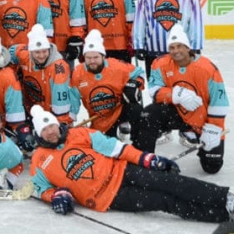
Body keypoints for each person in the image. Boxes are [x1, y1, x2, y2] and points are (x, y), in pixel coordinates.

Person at [29, 104, 234, 223]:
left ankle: (226, 197)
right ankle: (221, 215)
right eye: (45, 129)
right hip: (107, 197)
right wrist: (56, 195)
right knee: (165, 202)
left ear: (57, 124)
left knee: (172, 183)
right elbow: (40, 188)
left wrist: (147, 159)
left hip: (123, 171)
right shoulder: (39, 159)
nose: (51, 131)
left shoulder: (78, 133)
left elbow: (116, 148)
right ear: (39, 133)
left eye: (52, 126)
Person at [136, 23, 228, 174]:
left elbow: (220, 102)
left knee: (212, 167)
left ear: (188, 48)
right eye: (172, 47)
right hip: (177, 114)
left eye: (179, 46)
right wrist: (175, 94)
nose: (175, 51)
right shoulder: (160, 64)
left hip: (203, 121)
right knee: (148, 114)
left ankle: (199, 139)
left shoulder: (208, 68)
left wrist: (213, 129)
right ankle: (143, 159)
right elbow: (154, 91)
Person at [70, 29, 145, 142]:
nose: (92, 61)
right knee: (106, 148)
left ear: (103, 56)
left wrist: (134, 84)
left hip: (119, 109)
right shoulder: (78, 73)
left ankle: (139, 146)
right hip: (99, 118)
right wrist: (68, 121)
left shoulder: (116, 66)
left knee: (136, 110)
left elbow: (140, 73)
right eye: (88, 58)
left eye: (96, 57)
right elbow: (73, 101)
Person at [9, 24, 74, 136]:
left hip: (50, 117)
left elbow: (61, 106)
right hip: (29, 108)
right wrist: (13, 72)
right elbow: (10, 53)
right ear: (31, 52)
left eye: (44, 51)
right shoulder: (24, 54)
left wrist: (62, 124)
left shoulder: (59, 69)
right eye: (37, 52)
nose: (41, 56)